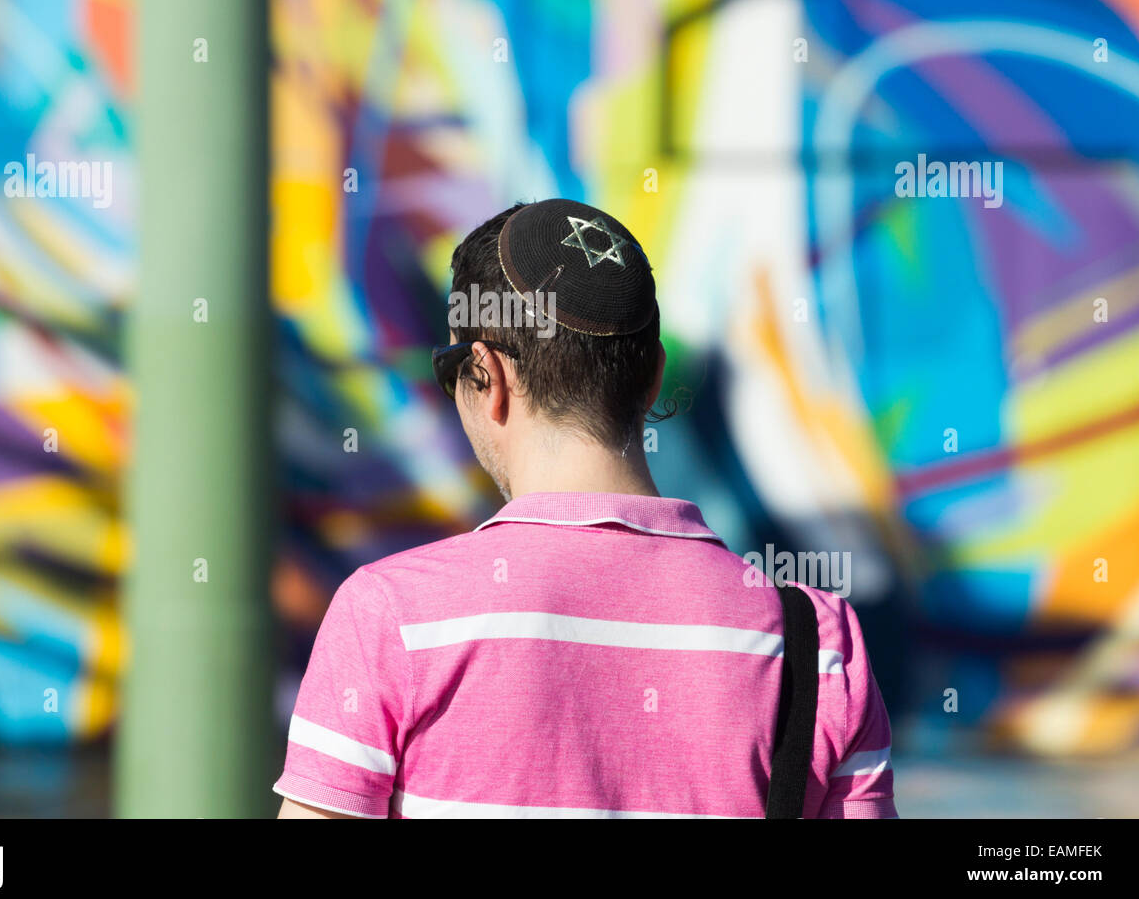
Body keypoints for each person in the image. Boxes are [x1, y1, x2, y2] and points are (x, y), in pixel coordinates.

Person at [275, 199, 896, 818]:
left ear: (487, 377)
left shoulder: (390, 615)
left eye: (451, 372)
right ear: (653, 376)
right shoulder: (817, 642)